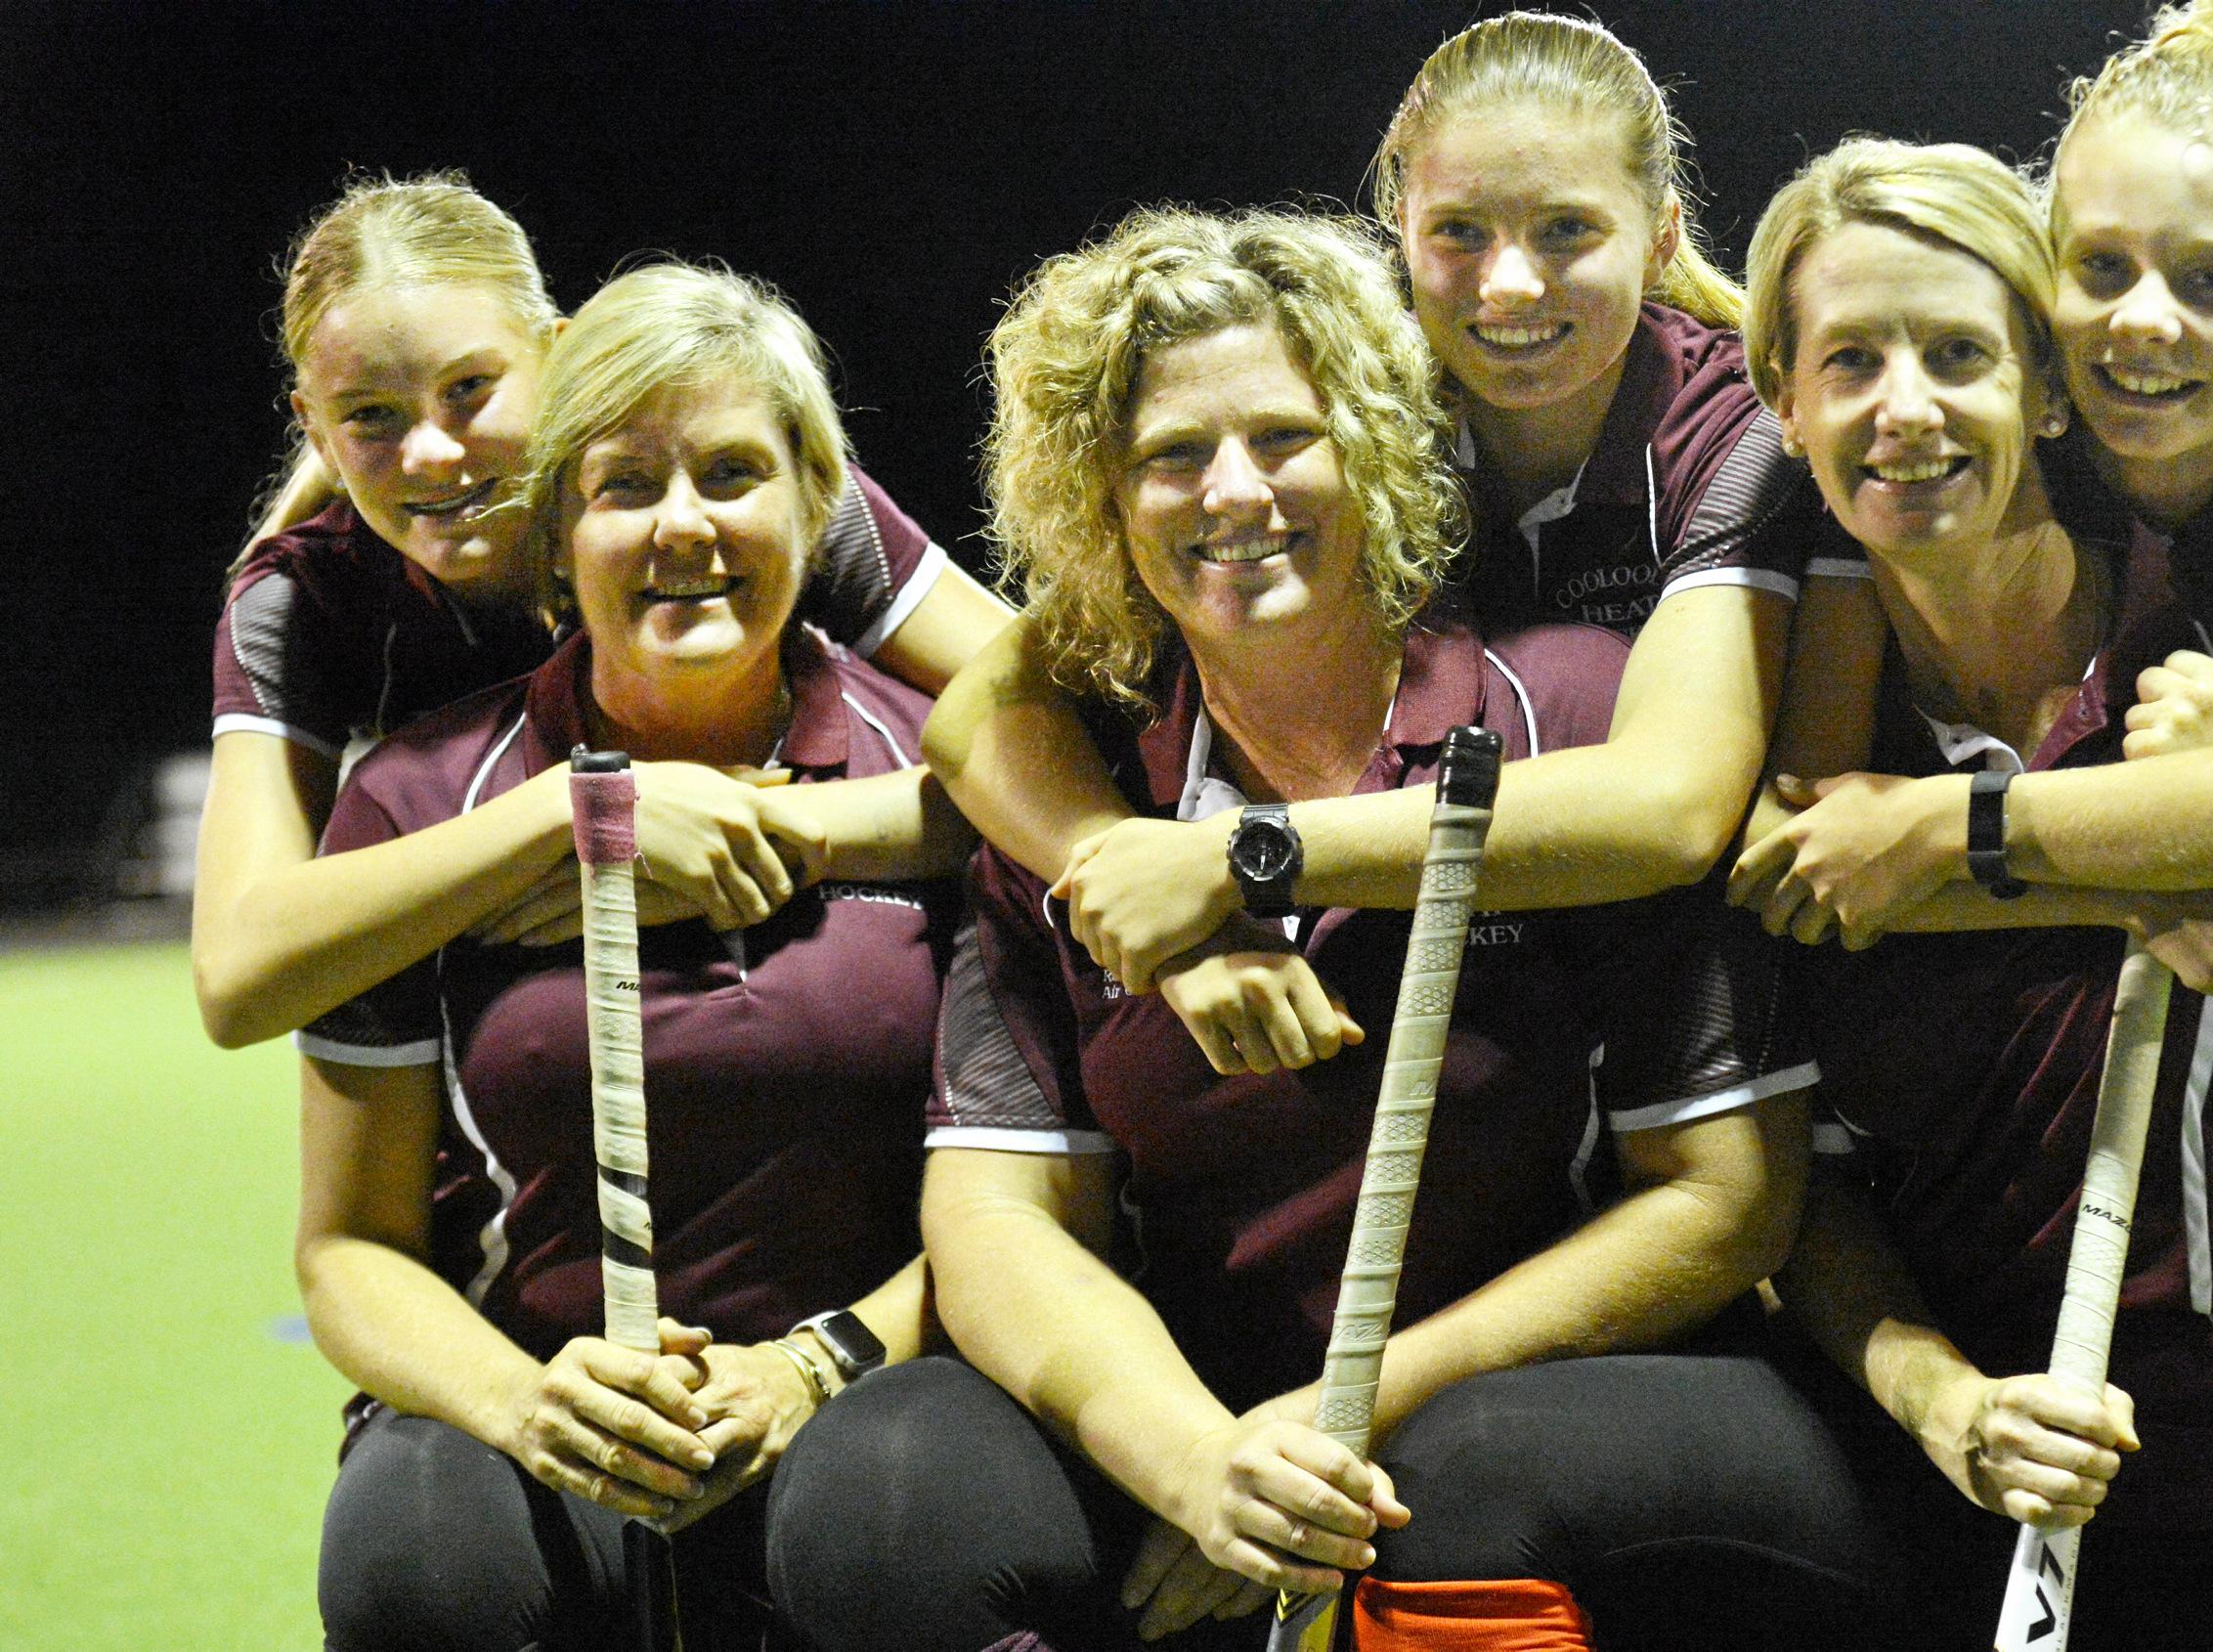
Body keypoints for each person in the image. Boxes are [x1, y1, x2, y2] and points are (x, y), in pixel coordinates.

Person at [770, 207, 1881, 1652]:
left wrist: (1336, 1423)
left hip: (1541, 1395)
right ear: (1102, 500)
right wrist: (1186, 1454)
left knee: (1466, 1474)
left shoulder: (1567, 717)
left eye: (1282, 437)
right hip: (1217, 1409)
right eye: (1171, 455)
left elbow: (1726, 1199)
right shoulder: (1079, 773)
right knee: (882, 1482)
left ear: (1366, 442)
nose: (1233, 491)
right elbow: (994, 1218)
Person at [1732, 0, 2213, 1516]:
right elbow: (1820, 842)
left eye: (2207, 282)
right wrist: (2150, 858)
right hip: (2185, 887)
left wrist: (1966, 821)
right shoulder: (2013, 437)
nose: (2140, 318)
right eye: (2099, 270)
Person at [917, 11, 1874, 1075]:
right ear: (1401, 234)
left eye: (1566, 230)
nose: (1509, 284)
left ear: (1657, 235)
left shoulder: (1734, 430)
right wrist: (1146, 895)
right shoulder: (1361, 407)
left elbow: (1671, 806)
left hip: (1746, 964)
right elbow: (979, 713)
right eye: (1461, 232)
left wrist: (1236, 859)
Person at [294, 263, 969, 1649]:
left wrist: (817, 1364)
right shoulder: (421, 799)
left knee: (915, 1518)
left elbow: (1040, 1195)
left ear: (813, 496)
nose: (686, 526)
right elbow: (349, 1244)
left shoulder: (954, 771)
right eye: (625, 484)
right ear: (554, 527)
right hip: (541, 1388)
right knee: (419, 1564)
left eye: (732, 472)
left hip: (886, 1372)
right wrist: (527, 1403)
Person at [196, 173, 1010, 1049]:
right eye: (370, 417)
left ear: (555, 352)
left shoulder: (744, 512)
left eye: (469, 388)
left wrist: (779, 827)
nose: (431, 452)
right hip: (504, 1048)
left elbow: (1069, 723)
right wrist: (580, 815)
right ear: (316, 432)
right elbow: (238, 978)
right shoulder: (301, 602)